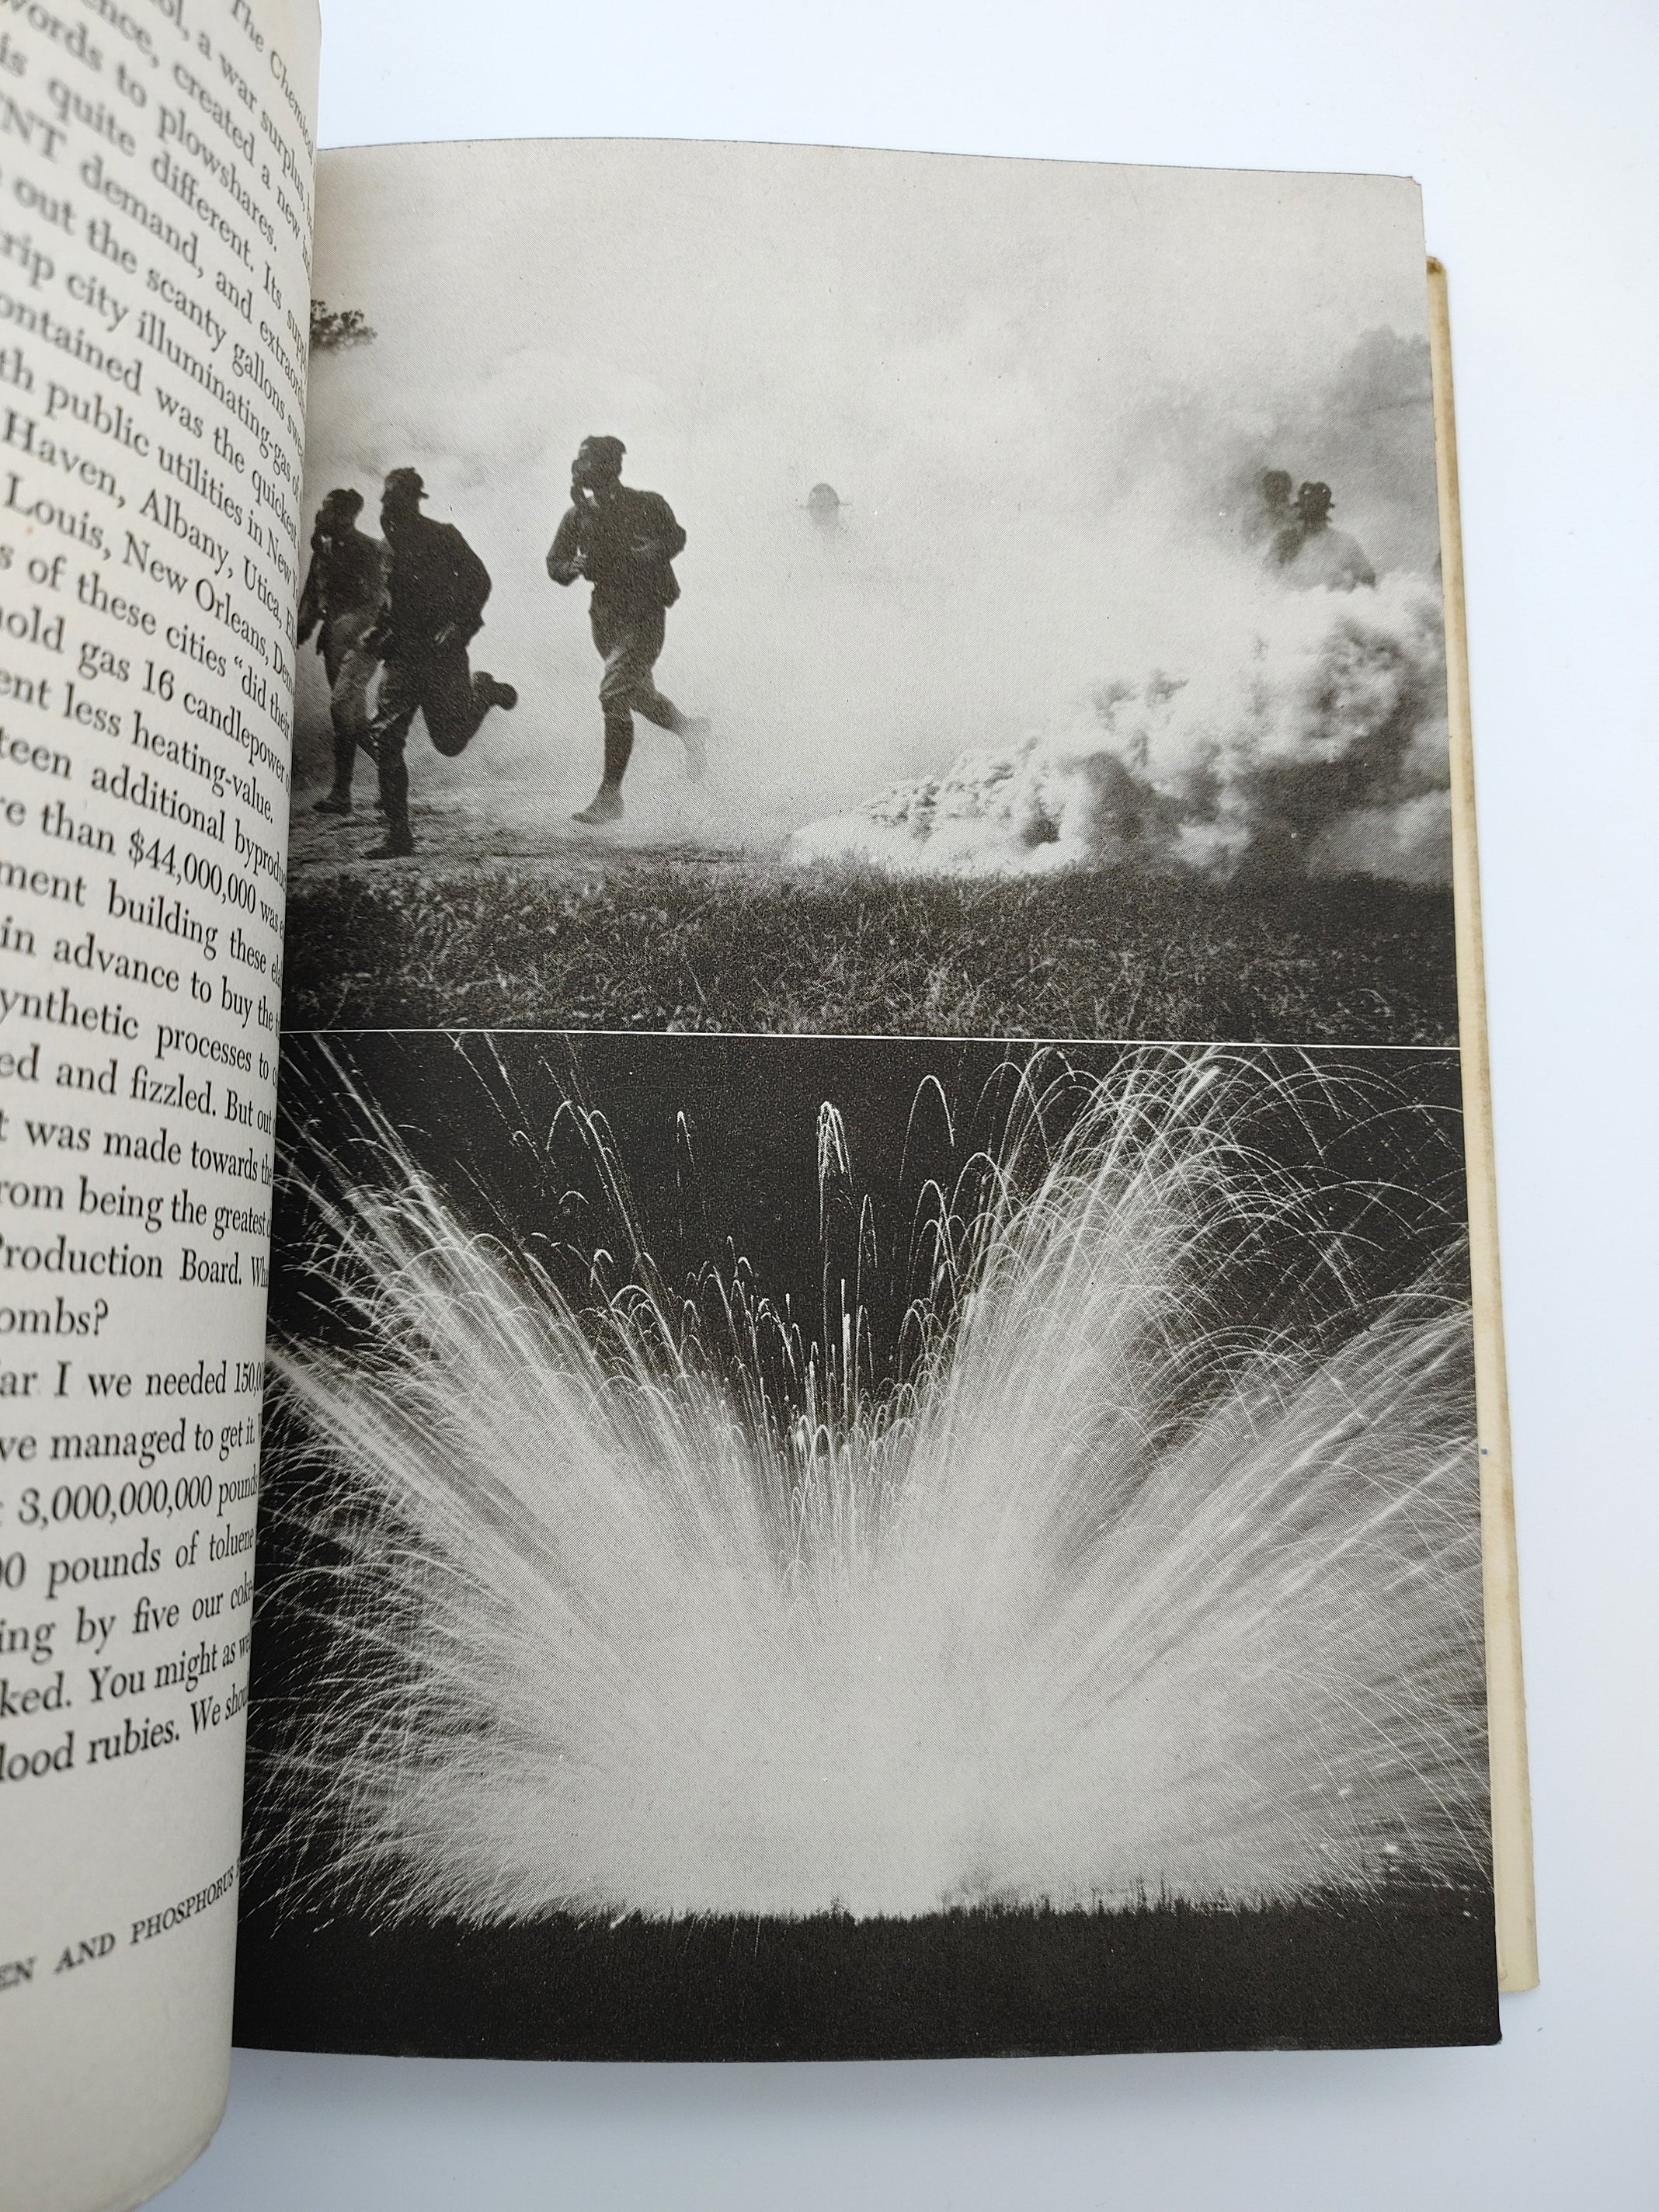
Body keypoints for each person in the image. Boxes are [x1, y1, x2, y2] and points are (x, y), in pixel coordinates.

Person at [546, 435, 708, 825]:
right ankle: (691, 731)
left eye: (589, 462)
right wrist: (574, 567)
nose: (581, 469)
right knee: (637, 695)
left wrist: (654, 549)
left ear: (611, 467)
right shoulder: (578, 516)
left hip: (645, 612)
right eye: (579, 462)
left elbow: (677, 536)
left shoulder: (646, 503)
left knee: (614, 693)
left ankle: (610, 795)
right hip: (606, 616)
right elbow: (555, 563)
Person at [360, 468, 517, 858]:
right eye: (388, 498)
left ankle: (483, 691)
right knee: (387, 739)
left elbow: (480, 581)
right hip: (401, 656)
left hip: (442, 652)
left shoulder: (443, 536)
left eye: (399, 498)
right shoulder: (386, 547)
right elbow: (387, 599)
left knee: (449, 742)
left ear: (416, 501)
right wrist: (377, 631)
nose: (390, 505)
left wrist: (462, 625)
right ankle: (399, 835)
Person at [295, 488, 387, 816]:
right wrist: (300, 631)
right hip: (334, 641)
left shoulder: (369, 549)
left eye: (330, 510)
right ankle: (391, 781)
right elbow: (311, 597)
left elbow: (381, 599)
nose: (323, 516)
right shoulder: (324, 550)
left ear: (349, 517)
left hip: (359, 641)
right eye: (323, 509)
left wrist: (359, 630)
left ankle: (342, 794)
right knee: (352, 717)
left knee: (342, 708)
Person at [1270, 480, 1377, 591]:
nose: (1312, 518)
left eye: (1316, 508)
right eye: (1310, 508)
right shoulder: (1285, 541)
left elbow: (1368, 581)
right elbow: (1268, 578)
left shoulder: (1344, 543)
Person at [1241, 467, 1294, 554]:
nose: (1280, 492)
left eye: (1283, 489)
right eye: (1275, 487)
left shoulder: (1293, 514)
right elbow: (1247, 541)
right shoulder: (1255, 514)